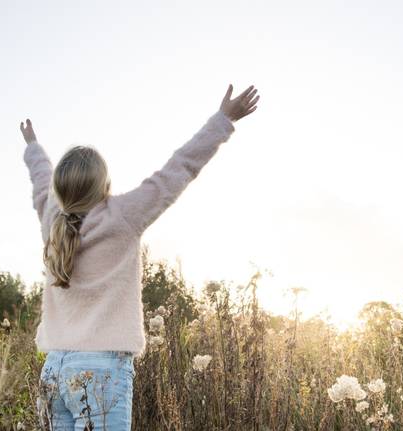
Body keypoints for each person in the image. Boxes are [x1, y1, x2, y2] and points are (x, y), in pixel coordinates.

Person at [21, 84, 260, 430]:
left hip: (53, 371)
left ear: (61, 188)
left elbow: (41, 179)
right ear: (104, 186)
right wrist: (223, 120)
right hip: (101, 370)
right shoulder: (122, 216)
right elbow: (178, 169)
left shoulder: (51, 218)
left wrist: (32, 147)